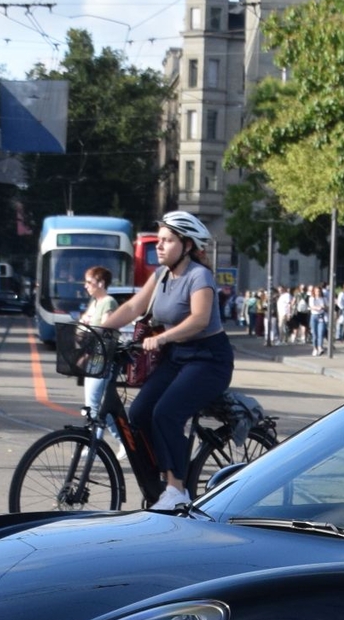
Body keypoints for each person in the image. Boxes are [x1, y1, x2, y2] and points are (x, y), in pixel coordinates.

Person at [100, 212, 233, 512]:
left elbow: (199, 320)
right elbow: (134, 305)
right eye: (158, 240)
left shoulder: (199, 276)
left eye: (167, 240)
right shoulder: (161, 275)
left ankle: (177, 489)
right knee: (139, 412)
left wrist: (161, 338)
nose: (159, 246)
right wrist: (100, 329)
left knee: (166, 412)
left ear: (187, 244)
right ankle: (160, 480)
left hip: (208, 359)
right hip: (178, 357)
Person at [75, 265, 118, 417]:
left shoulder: (108, 302)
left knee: (93, 406)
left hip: (101, 359)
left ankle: (93, 439)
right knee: (98, 406)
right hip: (93, 358)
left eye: (89, 282)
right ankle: (122, 439)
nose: (85, 285)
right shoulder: (94, 302)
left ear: (101, 283)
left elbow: (106, 332)